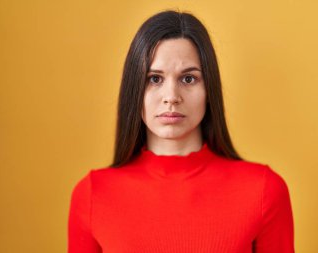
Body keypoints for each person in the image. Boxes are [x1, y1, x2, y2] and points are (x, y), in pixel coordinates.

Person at [68, 10, 295, 253]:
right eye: (154, 79)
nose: (171, 98)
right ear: (134, 89)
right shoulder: (93, 195)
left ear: (210, 89)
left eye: (188, 79)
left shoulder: (263, 190)